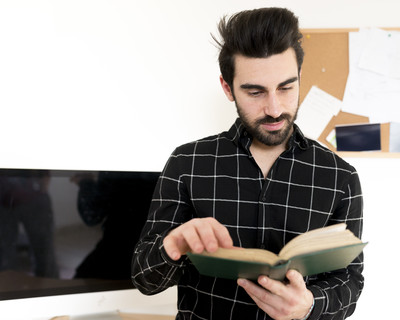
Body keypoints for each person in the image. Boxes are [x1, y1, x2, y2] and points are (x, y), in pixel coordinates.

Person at [132, 7, 364, 320]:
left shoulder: (340, 177)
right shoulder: (187, 163)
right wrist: (172, 245)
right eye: (255, 92)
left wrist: (309, 305)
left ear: (300, 79)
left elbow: (350, 280)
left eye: (286, 87)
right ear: (228, 88)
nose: (274, 108)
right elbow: (144, 280)